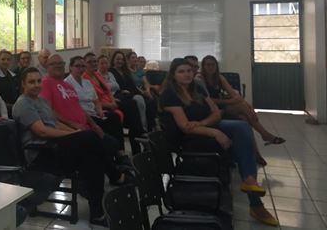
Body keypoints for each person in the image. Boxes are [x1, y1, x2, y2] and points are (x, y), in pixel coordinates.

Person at [160, 58, 279, 226]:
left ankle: (249, 180)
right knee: (238, 141)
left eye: (189, 71)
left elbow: (216, 113)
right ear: (173, 75)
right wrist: (215, 132)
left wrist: (203, 123)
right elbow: (186, 127)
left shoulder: (196, 89)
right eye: (181, 71)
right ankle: (255, 204)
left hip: (204, 127)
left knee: (242, 127)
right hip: (189, 139)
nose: (187, 74)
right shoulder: (169, 95)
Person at [12, 67, 109, 226]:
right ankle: (114, 173)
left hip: (55, 147)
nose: (36, 85)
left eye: (38, 81)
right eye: (31, 82)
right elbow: (42, 132)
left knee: (93, 160)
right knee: (91, 139)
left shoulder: (41, 101)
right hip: (41, 153)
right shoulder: (23, 104)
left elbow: (55, 123)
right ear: (23, 84)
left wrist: (76, 132)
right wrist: (75, 136)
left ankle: (97, 213)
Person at [40, 54, 127, 184]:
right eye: (54, 64)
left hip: (84, 126)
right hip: (68, 132)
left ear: (64, 66)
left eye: (60, 63)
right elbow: (49, 111)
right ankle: (115, 176)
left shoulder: (67, 86)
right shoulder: (46, 83)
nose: (58, 66)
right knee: (99, 144)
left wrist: (94, 125)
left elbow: (79, 108)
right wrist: (73, 125)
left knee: (110, 142)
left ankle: (110, 173)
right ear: (47, 67)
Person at [200, 55, 285, 165]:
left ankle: (256, 154)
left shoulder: (219, 77)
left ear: (216, 66)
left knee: (245, 119)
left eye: (213, 64)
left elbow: (236, 96)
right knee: (241, 106)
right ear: (203, 66)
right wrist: (230, 102)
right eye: (207, 65)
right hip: (211, 109)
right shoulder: (200, 79)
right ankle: (265, 135)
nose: (210, 67)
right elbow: (208, 100)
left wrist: (246, 105)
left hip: (221, 105)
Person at [65, 56, 130, 164]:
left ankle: (120, 153)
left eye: (82, 66)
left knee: (114, 117)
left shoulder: (86, 82)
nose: (80, 69)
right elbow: (74, 106)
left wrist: (99, 110)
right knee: (108, 127)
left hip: (95, 113)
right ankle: (111, 157)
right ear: (70, 67)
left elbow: (96, 101)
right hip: (83, 116)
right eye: (77, 66)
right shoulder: (67, 83)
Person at [84, 52, 146, 155]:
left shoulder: (97, 75)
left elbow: (108, 91)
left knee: (133, 104)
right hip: (103, 106)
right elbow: (93, 100)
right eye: (90, 62)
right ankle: (138, 139)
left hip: (111, 101)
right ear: (85, 64)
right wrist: (111, 104)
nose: (93, 64)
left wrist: (113, 101)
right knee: (131, 106)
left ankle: (137, 143)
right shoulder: (85, 78)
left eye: (94, 61)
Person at [98, 54, 149, 134]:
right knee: (134, 102)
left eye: (106, 63)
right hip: (112, 98)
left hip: (120, 94)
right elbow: (106, 89)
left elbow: (116, 86)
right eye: (102, 63)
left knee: (139, 101)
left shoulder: (110, 74)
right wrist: (113, 96)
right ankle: (139, 129)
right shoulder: (99, 75)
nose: (104, 65)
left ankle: (141, 128)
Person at [110, 50, 157, 131]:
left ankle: (151, 127)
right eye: (117, 59)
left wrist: (144, 93)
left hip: (133, 92)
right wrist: (122, 91)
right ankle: (143, 127)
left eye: (121, 59)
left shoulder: (125, 71)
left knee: (150, 101)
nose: (120, 61)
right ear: (113, 60)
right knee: (139, 100)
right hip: (122, 95)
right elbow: (113, 87)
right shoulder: (111, 71)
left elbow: (133, 85)